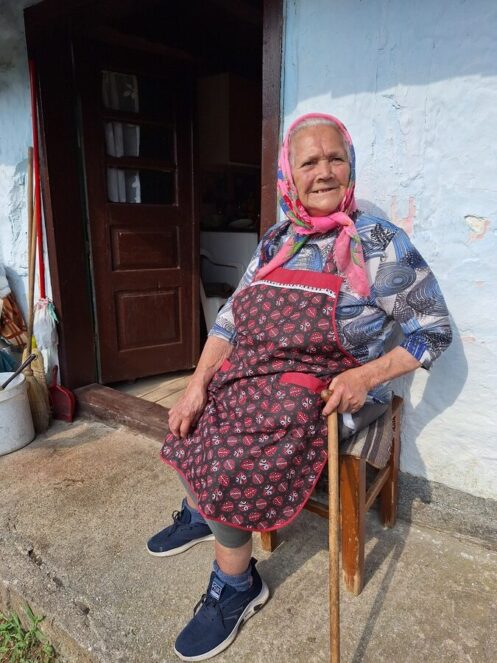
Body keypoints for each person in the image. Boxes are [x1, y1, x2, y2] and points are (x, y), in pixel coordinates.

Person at [148, 113, 452, 661]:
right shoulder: (278, 239)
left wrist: (365, 376)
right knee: (196, 416)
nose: (324, 172)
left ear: (350, 166)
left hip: (333, 388)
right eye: (309, 162)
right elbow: (230, 321)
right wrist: (196, 383)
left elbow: (433, 330)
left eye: (335, 158)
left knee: (236, 452)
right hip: (261, 375)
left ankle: (237, 585)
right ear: (289, 175)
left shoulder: (379, 243)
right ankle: (205, 511)